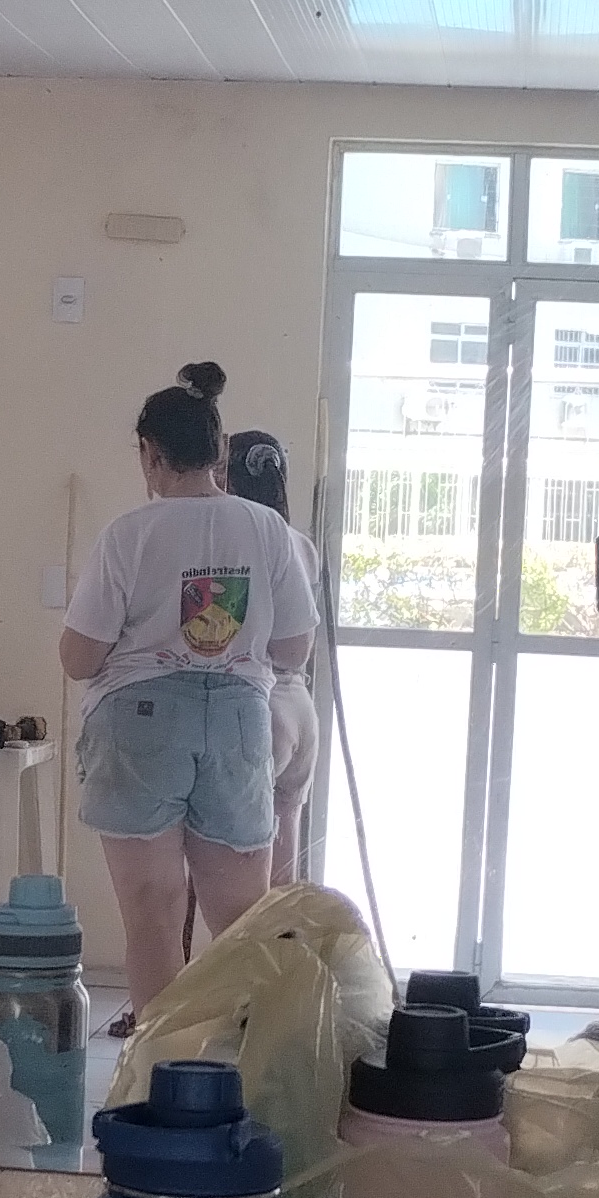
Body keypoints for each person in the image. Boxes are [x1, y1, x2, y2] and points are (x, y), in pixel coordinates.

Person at [62, 371, 320, 1023]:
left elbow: (79, 658)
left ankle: (161, 1063)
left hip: (140, 723)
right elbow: (294, 649)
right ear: (220, 450)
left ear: (150, 452)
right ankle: (241, 1061)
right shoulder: (269, 530)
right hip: (238, 722)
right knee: (240, 921)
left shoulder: (129, 533)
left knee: (153, 914)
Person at [197, 364, 330, 883]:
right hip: (301, 709)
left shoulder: (237, 541)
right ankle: (281, 938)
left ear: (228, 478)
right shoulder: (301, 544)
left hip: (260, 705)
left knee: (232, 874)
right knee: (282, 872)